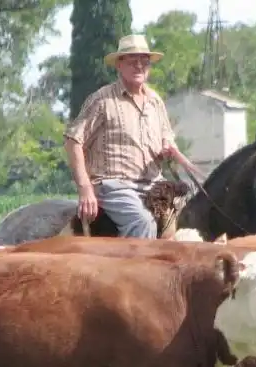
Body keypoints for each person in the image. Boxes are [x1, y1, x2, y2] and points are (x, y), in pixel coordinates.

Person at [63, 34, 189, 239]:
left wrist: (168, 146)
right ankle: (140, 260)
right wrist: (85, 189)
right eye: (132, 61)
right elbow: (73, 141)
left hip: (154, 185)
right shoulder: (102, 100)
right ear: (119, 65)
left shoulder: (155, 101)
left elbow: (167, 135)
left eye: (144, 61)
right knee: (142, 222)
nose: (139, 66)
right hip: (115, 187)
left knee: (194, 214)